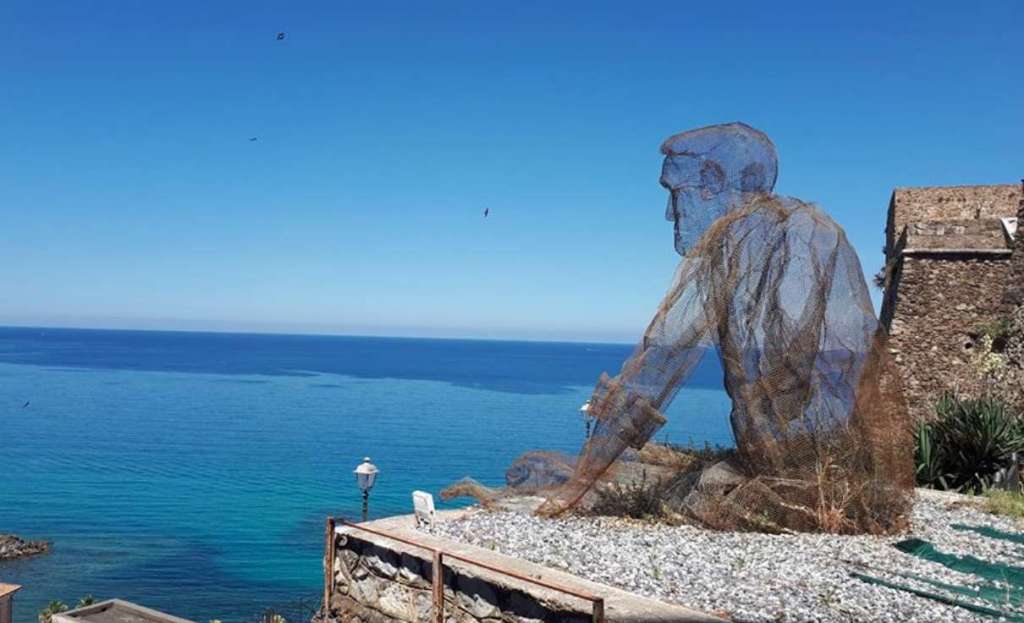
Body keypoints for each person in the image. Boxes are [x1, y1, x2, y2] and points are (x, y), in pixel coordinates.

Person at [540, 123, 912, 532]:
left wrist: (587, 472)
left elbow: (666, 359)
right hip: (805, 469)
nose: (669, 213)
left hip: (814, 476)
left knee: (703, 492)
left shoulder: (800, 235)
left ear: (713, 181)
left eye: (673, 192)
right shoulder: (740, 244)